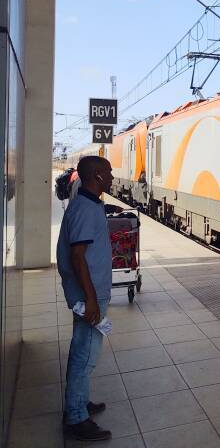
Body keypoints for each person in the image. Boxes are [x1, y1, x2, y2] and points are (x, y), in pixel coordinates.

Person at [56, 155, 120, 441]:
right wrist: (92, 300)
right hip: (88, 294)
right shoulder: (84, 208)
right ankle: (76, 419)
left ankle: (78, 403)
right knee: (85, 355)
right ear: (96, 175)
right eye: (108, 172)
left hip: (89, 291)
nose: (112, 176)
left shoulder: (89, 204)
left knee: (82, 350)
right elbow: (78, 256)